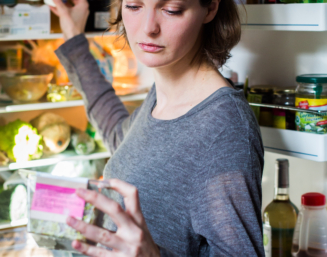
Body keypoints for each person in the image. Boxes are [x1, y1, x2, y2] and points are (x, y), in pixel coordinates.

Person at [50, 0, 265, 255]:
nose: (148, 27)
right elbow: (122, 138)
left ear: (210, 8)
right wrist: (74, 34)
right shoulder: (164, 95)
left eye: (171, 9)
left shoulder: (224, 129)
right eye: (133, 6)